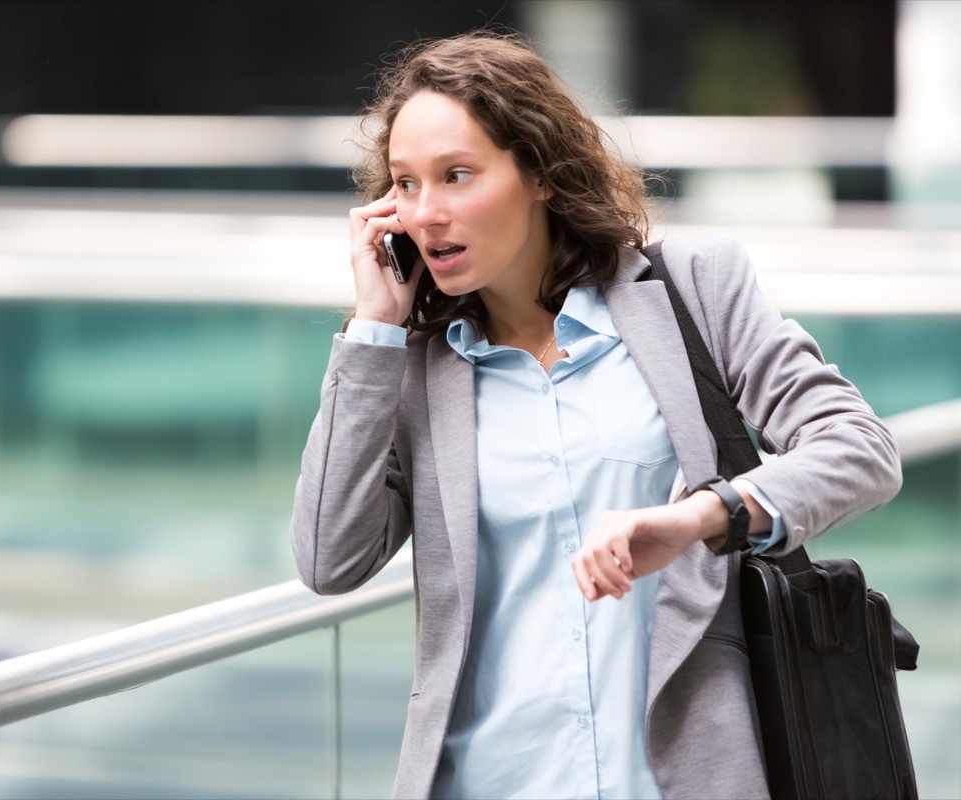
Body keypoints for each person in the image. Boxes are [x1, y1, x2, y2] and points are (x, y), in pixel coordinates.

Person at [290, 31, 901, 800]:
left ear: (539, 174)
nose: (426, 212)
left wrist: (702, 516)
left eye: (456, 175)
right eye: (405, 184)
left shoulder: (694, 292)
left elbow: (859, 447)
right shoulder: (409, 368)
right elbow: (328, 559)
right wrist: (373, 329)